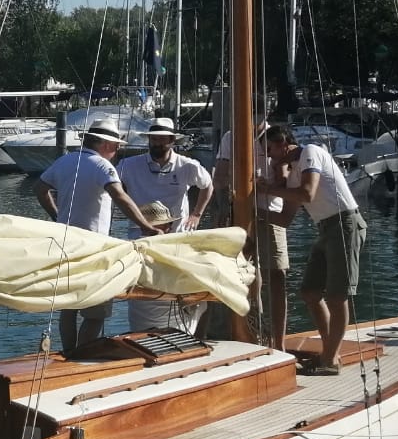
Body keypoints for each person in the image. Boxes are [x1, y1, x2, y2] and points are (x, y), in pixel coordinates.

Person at [35, 120, 165, 354]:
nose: (117, 152)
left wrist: (57, 216)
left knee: (69, 307)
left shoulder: (65, 160)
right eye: (116, 146)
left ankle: (67, 352)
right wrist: (146, 226)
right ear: (106, 144)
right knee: (96, 312)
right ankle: (81, 355)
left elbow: (40, 188)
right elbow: (120, 197)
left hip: (66, 243)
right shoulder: (103, 167)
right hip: (94, 248)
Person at [259, 123, 368, 376]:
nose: (269, 156)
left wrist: (269, 188)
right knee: (310, 292)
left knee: (336, 295)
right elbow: (285, 219)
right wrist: (255, 213)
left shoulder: (311, 151)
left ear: (283, 144)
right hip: (324, 228)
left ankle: (328, 359)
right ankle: (331, 353)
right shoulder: (294, 173)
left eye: (270, 150)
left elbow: (308, 194)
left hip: (344, 223)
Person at [211, 113, 289, 348]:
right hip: (240, 211)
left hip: (269, 211)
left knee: (277, 274)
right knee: (242, 273)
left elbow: (284, 175)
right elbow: (220, 175)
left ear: (264, 114)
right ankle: (249, 332)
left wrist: (265, 184)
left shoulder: (275, 136)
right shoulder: (230, 136)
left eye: (256, 114)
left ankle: (279, 341)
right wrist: (223, 204)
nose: (251, 118)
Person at [116, 116, 212, 234]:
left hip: (176, 236)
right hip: (140, 237)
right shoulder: (128, 165)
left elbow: (207, 185)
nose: (157, 143)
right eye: (154, 139)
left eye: (162, 139)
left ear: (172, 141)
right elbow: (113, 188)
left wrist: (197, 214)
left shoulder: (187, 165)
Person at [127, 200, 202, 333]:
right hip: (172, 328)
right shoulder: (173, 252)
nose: (171, 227)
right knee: (203, 303)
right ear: (160, 227)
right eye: (169, 224)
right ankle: (200, 338)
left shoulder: (131, 250)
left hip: (138, 325)